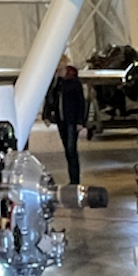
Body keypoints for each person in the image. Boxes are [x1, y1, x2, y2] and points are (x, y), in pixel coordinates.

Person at [45, 56, 87, 186]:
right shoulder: (57, 81)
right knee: (67, 150)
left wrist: (80, 121)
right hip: (61, 120)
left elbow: (81, 102)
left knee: (71, 150)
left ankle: (75, 180)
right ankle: (73, 179)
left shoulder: (73, 81)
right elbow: (50, 98)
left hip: (71, 120)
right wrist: (46, 115)